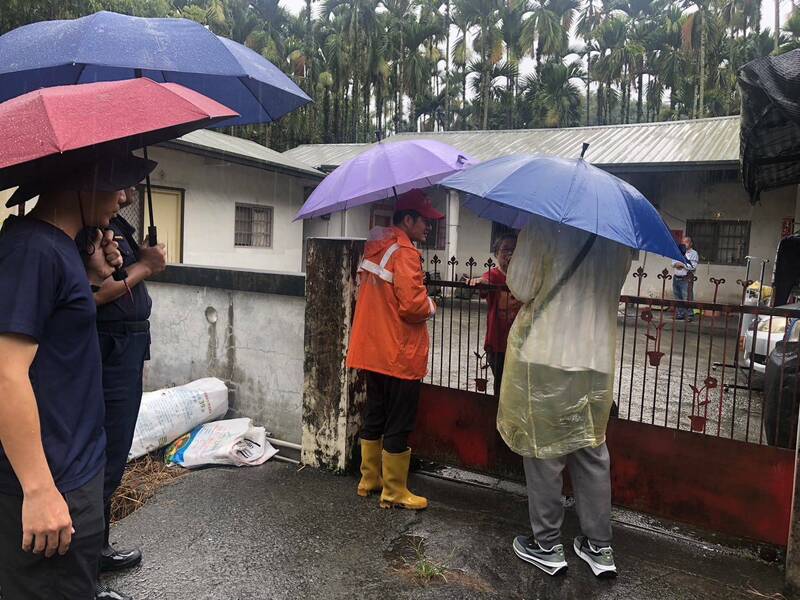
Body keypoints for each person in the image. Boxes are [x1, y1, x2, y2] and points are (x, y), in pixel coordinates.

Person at [0, 154, 154, 600]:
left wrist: (93, 277)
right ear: (84, 180)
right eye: (117, 183)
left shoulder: (61, 246)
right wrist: (39, 490)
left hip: (73, 469)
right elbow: (7, 373)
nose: (123, 197)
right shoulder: (32, 250)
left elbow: (53, 327)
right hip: (53, 480)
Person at [499, 219, 632, 579]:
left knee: (544, 452)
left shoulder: (543, 224)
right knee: (591, 450)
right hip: (596, 358)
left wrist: (505, 262)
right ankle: (599, 547)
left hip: (546, 353)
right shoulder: (617, 235)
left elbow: (522, 286)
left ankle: (546, 545)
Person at [85, 187, 166, 576]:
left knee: (113, 453)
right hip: (110, 347)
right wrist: (146, 267)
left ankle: (97, 547)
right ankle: (85, 564)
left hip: (129, 345)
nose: (129, 192)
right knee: (105, 455)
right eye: (124, 182)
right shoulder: (90, 231)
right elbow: (96, 295)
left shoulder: (116, 227)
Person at [346, 188, 443, 510]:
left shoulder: (376, 247)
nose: (429, 227)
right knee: (399, 421)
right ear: (408, 219)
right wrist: (432, 304)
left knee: (375, 414)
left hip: (372, 349)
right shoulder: (404, 252)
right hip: (399, 353)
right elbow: (413, 306)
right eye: (425, 221)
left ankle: (368, 480)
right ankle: (394, 492)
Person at [468, 233, 521, 395]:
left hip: (519, 343)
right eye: (505, 249)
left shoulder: (522, 278)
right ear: (496, 254)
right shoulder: (494, 275)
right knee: (501, 385)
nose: (510, 253)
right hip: (497, 343)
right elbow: (485, 282)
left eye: (514, 249)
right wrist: (479, 282)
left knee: (516, 386)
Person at [672, 236, 699, 321]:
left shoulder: (693, 253)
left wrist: (682, 265)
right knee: (678, 296)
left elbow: (692, 266)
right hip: (676, 277)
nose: (684, 244)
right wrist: (681, 265)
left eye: (686, 242)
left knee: (687, 296)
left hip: (686, 278)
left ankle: (689, 315)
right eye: (683, 242)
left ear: (690, 244)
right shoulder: (678, 251)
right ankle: (680, 314)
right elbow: (673, 263)